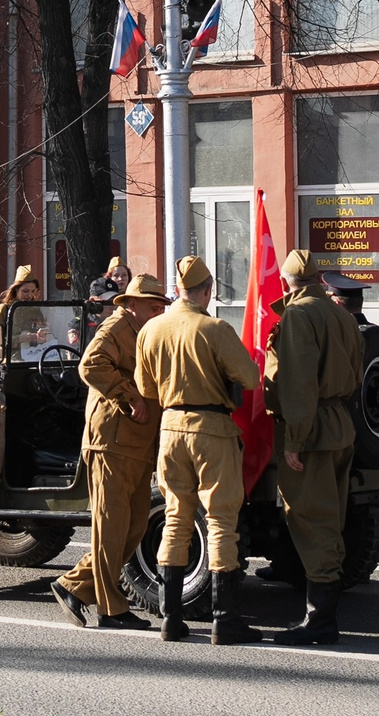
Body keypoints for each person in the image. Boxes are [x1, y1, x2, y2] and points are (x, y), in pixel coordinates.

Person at [134, 254, 262, 645]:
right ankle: (226, 620)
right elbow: (251, 377)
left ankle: (171, 620)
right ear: (208, 291)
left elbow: (146, 389)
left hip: (170, 428)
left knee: (176, 518)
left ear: (177, 290)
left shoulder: (151, 330)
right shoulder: (215, 328)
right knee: (221, 520)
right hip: (211, 430)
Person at [52, 271, 168, 632]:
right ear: (130, 304)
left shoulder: (141, 329)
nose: (158, 312)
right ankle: (111, 608)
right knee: (112, 525)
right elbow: (90, 365)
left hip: (132, 441)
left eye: (160, 306)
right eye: (152, 306)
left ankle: (74, 585)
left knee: (132, 526)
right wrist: (128, 395)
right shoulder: (118, 328)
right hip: (112, 441)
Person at [264, 249, 364, 646]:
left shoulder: (299, 316)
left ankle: (320, 621)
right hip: (339, 423)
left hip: (312, 430)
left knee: (312, 517)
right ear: (319, 279)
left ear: (287, 282)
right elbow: (355, 373)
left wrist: (295, 440)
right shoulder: (342, 314)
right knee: (331, 517)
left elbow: (299, 384)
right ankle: (320, 611)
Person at [0, 266, 40, 357]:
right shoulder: (3, 310)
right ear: (16, 289)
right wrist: (19, 339)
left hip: (35, 358)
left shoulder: (36, 311)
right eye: (25, 291)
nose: (29, 295)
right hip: (11, 361)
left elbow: (43, 333)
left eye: (33, 291)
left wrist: (42, 336)